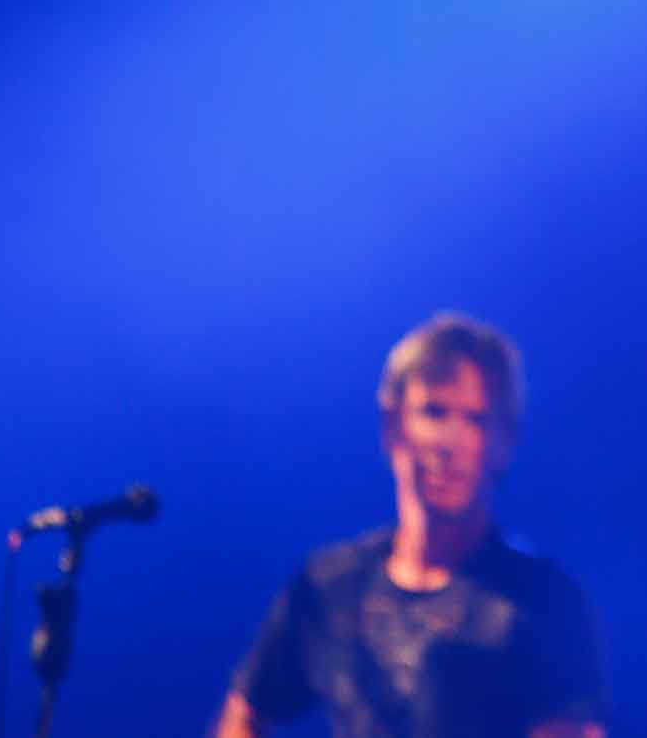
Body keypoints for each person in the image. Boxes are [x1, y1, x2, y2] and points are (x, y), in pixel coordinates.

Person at [215, 314, 609, 738]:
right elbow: (245, 713)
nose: (449, 441)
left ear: (504, 443)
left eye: (474, 419)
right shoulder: (331, 584)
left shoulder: (542, 601)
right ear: (393, 427)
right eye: (433, 412)